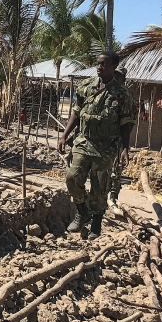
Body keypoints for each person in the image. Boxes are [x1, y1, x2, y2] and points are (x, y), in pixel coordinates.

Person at [57, 52, 134, 239]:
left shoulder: (122, 94)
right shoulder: (86, 86)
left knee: (100, 186)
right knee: (72, 176)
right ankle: (82, 210)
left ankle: (97, 223)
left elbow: (126, 124)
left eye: (104, 64)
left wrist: (125, 148)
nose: (99, 67)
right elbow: (76, 113)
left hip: (106, 146)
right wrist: (64, 135)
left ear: (114, 66)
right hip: (84, 141)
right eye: (98, 64)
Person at [108, 66, 129, 207]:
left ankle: (113, 198)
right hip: (103, 142)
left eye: (118, 76)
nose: (115, 78)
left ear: (123, 79)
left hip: (118, 142)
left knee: (116, 172)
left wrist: (125, 147)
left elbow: (127, 125)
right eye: (114, 75)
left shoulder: (126, 97)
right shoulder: (105, 93)